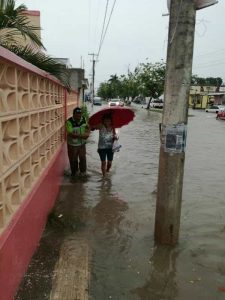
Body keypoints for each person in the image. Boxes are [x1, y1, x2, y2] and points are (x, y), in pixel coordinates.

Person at [66, 107, 90, 178]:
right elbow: (70, 134)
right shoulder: (69, 122)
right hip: (72, 145)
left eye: (80, 114)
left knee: (83, 158)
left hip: (82, 144)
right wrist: (82, 136)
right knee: (73, 160)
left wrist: (88, 131)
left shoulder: (84, 119)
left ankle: (83, 173)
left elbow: (87, 128)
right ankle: (74, 174)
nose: (79, 116)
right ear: (73, 114)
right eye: (77, 115)